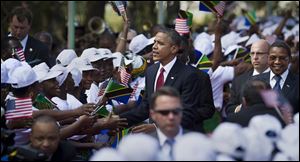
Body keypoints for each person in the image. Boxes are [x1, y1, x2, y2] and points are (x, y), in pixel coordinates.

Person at [120, 28, 215, 132]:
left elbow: (188, 112)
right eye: (154, 42)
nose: (154, 47)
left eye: (160, 43)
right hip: (156, 139)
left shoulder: (190, 75)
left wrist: (157, 127)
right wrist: (118, 121)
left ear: (173, 49)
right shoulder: (151, 71)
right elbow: (147, 107)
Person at [225, 39, 270, 115]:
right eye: (252, 53)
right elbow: (230, 108)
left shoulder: (279, 78)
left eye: (259, 53)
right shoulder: (238, 81)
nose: (255, 57)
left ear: (269, 55)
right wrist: (241, 108)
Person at [254, 40, 299, 114]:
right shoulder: (255, 81)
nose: (277, 62)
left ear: (290, 59)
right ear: (268, 58)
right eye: (273, 58)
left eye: (282, 58)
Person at [148, 86, 187, 160]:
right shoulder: (145, 147)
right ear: (153, 114)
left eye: (176, 111)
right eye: (164, 112)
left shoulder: (197, 144)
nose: (171, 117)